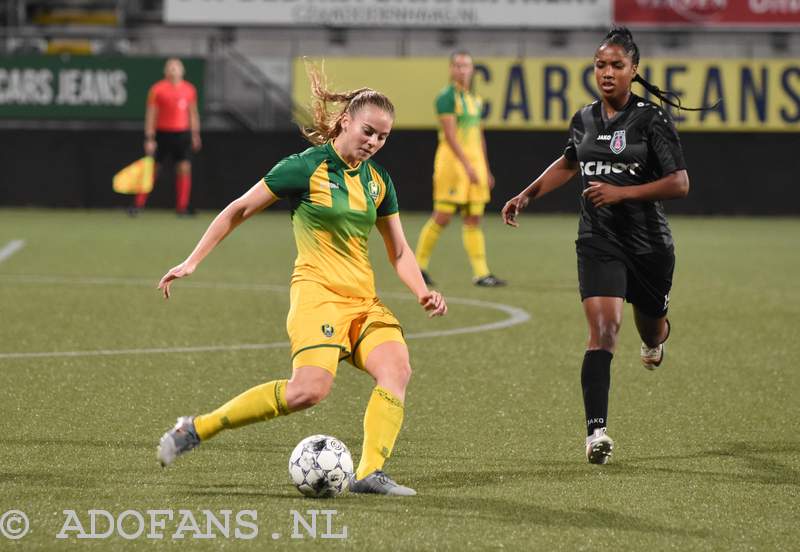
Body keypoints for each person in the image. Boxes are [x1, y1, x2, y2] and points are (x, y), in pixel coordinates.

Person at [155, 66, 447, 496]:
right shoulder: (305, 167)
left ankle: (369, 473)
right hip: (318, 296)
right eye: (368, 131)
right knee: (308, 392)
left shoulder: (378, 182)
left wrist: (422, 290)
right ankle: (196, 427)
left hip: (362, 302)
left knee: (397, 369)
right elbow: (239, 209)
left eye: (383, 137)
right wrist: (193, 260)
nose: (373, 142)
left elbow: (400, 251)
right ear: (346, 120)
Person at [502, 27, 710, 465]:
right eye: (601, 65)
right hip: (598, 240)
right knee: (604, 331)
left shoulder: (651, 120)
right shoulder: (584, 119)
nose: (607, 73)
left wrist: (621, 193)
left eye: (617, 65)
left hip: (649, 245)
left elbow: (681, 183)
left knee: (651, 328)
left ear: (634, 70)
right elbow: (569, 160)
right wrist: (526, 194)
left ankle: (656, 340)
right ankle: (596, 432)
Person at [414, 51, 506, 287]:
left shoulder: (474, 98)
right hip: (453, 165)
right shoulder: (446, 97)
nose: (461, 70)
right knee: (443, 216)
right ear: (451, 69)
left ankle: (482, 273)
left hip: (474, 164)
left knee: (474, 217)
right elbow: (451, 136)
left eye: (466, 66)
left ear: (472, 69)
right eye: (457, 65)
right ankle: (418, 266)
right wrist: (466, 165)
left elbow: (479, 135)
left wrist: (485, 168)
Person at [132, 57, 201, 216]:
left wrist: (195, 134)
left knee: (184, 168)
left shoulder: (189, 89)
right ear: (165, 71)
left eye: (176, 67)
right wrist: (150, 137)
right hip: (162, 133)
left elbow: (193, 114)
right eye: (170, 67)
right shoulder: (157, 89)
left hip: (182, 134)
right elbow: (151, 114)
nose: (173, 70)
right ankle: (138, 205)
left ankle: (182, 207)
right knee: (152, 170)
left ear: (182, 70)